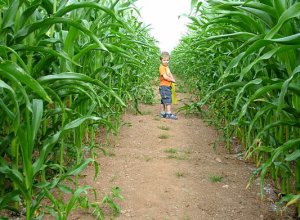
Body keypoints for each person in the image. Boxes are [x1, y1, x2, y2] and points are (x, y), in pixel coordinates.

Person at [159, 51, 178, 120]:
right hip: (164, 87)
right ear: (161, 60)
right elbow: (165, 77)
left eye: (167, 60)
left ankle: (162, 113)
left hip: (167, 86)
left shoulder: (166, 67)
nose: (166, 61)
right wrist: (172, 80)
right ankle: (168, 114)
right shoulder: (162, 67)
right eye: (164, 60)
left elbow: (170, 74)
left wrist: (172, 78)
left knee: (163, 100)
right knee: (168, 100)